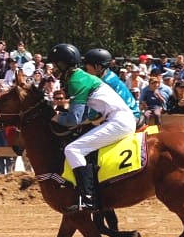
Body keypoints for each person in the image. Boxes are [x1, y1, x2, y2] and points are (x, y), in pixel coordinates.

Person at [50, 43, 136, 214]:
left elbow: (74, 118)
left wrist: (53, 116)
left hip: (118, 121)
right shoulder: (79, 77)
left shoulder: (76, 80)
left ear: (63, 64)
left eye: (54, 65)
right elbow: (84, 116)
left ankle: (88, 200)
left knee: (73, 149)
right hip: (119, 118)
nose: (53, 69)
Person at [83, 48, 144, 128]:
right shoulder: (109, 75)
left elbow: (94, 111)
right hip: (125, 115)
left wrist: (81, 120)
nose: (86, 71)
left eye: (88, 68)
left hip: (128, 118)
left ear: (98, 67)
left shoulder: (105, 83)